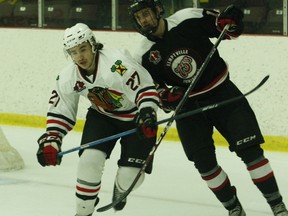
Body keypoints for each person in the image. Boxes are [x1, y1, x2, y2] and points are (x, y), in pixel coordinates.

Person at [128, 1, 288, 216]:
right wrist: (168, 97)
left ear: (158, 10)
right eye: (139, 18)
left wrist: (232, 22)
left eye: (146, 14)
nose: (144, 20)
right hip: (189, 109)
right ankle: (234, 208)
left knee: (252, 153)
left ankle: (277, 205)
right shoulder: (143, 55)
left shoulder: (187, 18)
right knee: (204, 165)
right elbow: (153, 93)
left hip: (223, 94)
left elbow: (227, 30)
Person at [36, 23, 159, 216]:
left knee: (130, 177)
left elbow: (144, 89)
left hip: (137, 118)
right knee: (89, 162)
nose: (79, 56)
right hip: (103, 118)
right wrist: (52, 138)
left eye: (83, 49)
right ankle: (83, 211)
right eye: (73, 52)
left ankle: (121, 188)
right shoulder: (68, 76)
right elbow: (61, 109)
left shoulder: (117, 64)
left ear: (93, 44)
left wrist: (147, 113)